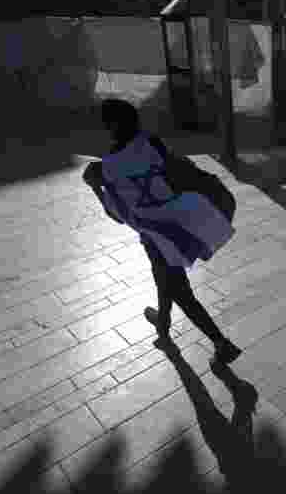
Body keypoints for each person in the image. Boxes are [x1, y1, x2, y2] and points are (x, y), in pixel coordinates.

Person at [83, 99, 241, 365]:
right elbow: (176, 171)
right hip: (182, 221)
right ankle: (163, 324)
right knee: (164, 278)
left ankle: (221, 343)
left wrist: (95, 188)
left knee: (179, 290)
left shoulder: (106, 169)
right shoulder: (152, 143)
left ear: (111, 127)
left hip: (157, 236)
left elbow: (118, 216)